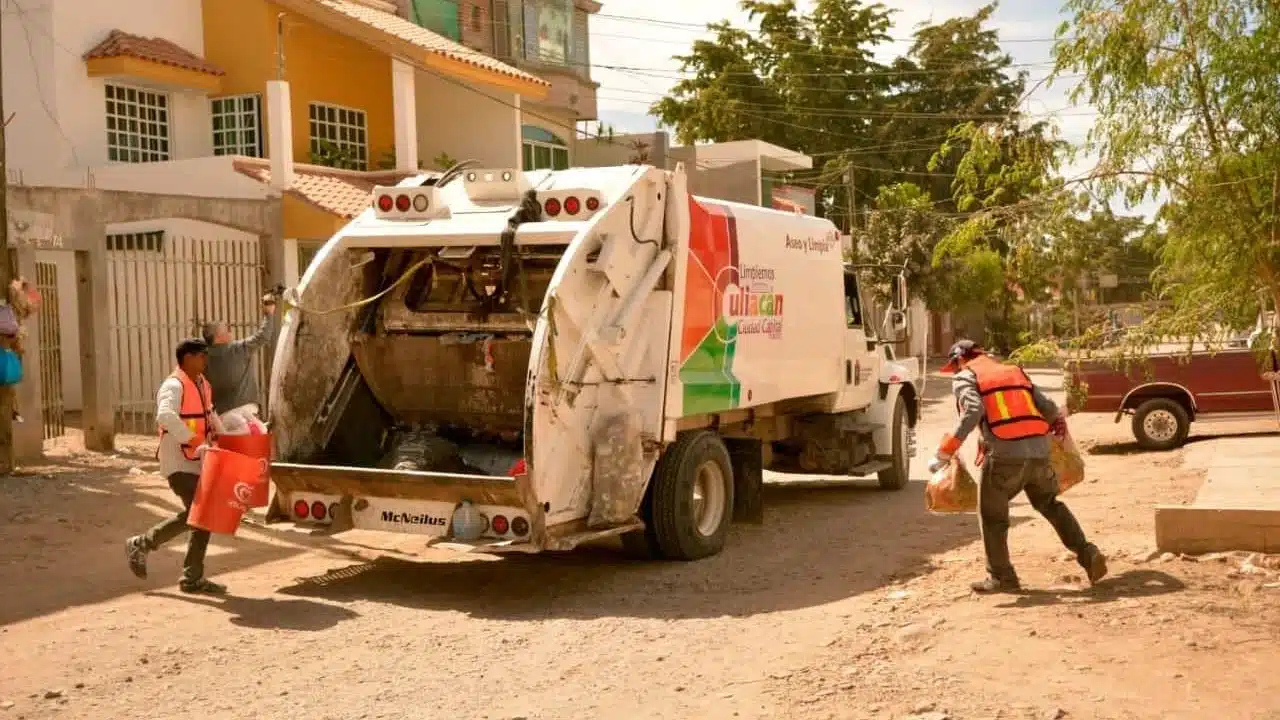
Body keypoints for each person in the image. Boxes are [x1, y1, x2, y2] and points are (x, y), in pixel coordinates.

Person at [930, 339, 1107, 594]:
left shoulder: (966, 378)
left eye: (955, 366)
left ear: (959, 359)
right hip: (1038, 453)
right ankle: (1087, 552)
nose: (956, 372)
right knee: (1050, 504)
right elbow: (1048, 409)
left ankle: (1002, 577)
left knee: (992, 516)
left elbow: (973, 411)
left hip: (1004, 457)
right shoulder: (1014, 371)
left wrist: (945, 451)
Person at [125, 338, 227, 594]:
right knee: (201, 514)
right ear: (189, 357)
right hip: (178, 462)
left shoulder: (203, 384)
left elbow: (210, 414)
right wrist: (192, 439)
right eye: (202, 355)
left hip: (198, 460)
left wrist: (226, 438)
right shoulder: (173, 385)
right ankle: (146, 544)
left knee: (202, 517)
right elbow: (165, 416)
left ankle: (190, 576)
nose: (206, 360)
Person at [200, 294, 279, 413]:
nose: (230, 332)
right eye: (227, 329)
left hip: (219, 415)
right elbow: (263, 336)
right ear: (219, 337)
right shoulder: (238, 349)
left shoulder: (203, 358)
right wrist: (269, 314)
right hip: (245, 411)